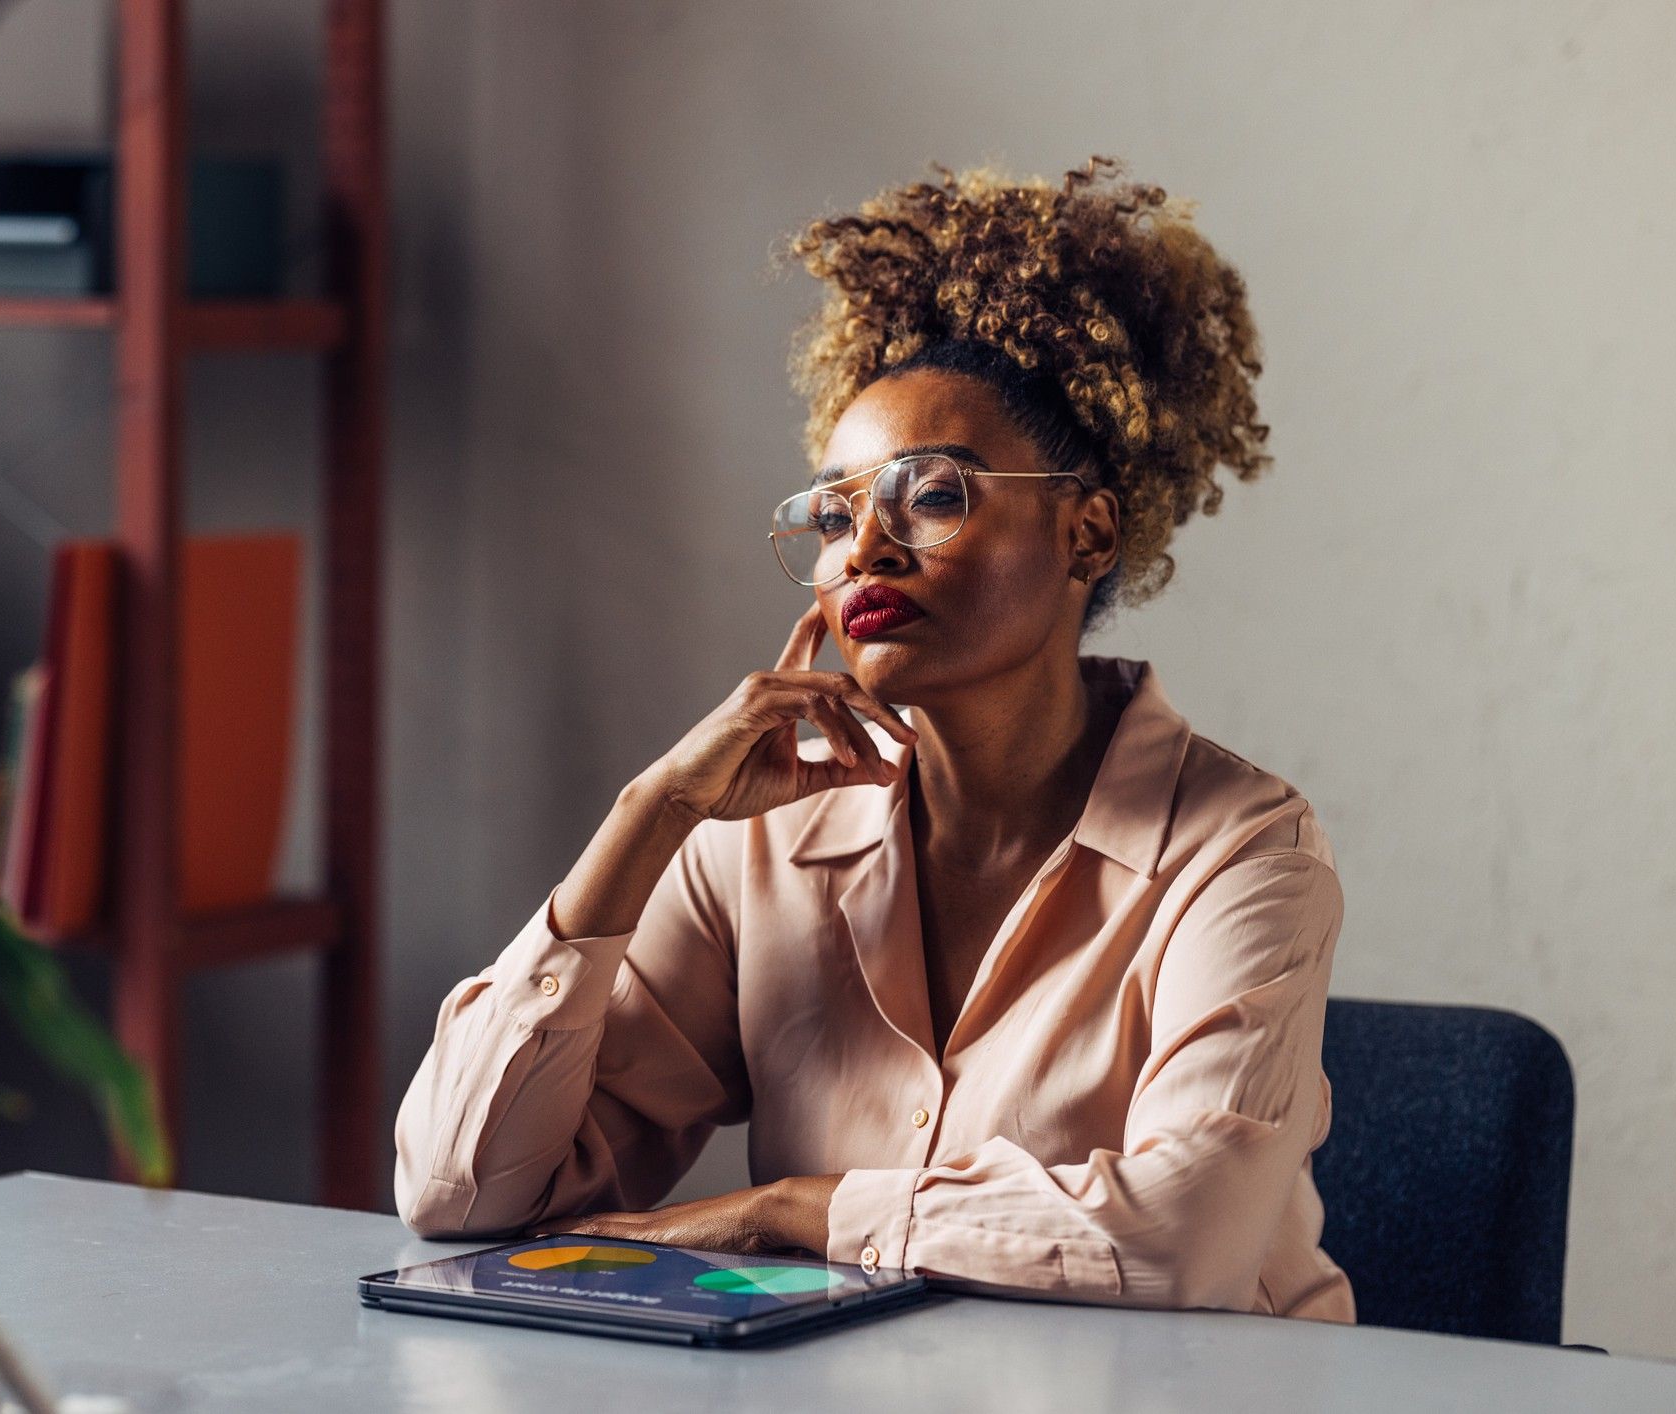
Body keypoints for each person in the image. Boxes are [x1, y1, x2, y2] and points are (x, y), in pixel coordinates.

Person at [393, 155, 1354, 1322]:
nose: (864, 551)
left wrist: (788, 1210)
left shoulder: (1239, 851)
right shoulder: (760, 842)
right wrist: (651, 816)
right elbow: (459, 1192)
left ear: (1087, 532)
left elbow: (1182, 1240)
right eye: (834, 514)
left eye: (931, 494)